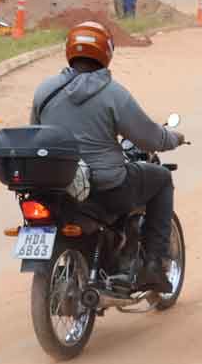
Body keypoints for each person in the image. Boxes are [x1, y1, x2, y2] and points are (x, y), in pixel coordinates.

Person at [30, 21, 185, 291]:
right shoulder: (113, 94)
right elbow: (148, 137)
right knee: (160, 178)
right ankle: (153, 265)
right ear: (107, 53)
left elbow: (35, 134)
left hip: (56, 186)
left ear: (69, 50)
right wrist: (173, 138)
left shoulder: (45, 90)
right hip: (106, 186)